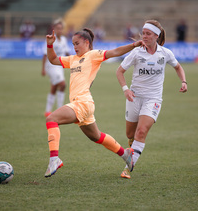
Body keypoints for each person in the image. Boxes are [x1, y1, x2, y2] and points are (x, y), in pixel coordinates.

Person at [44, 27, 144, 177]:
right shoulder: (72, 59)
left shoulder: (92, 55)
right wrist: (50, 45)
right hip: (83, 104)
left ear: (86, 42)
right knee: (96, 136)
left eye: (77, 43)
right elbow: (52, 59)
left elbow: (115, 52)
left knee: (51, 119)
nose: (74, 47)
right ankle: (126, 155)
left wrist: (133, 45)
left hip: (82, 103)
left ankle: (54, 159)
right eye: (73, 44)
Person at [116, 20, 188, 179]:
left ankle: (128, 167)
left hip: (153, 98)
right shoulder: (136, 52)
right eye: (143, 33)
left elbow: (178, 67)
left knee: (141, 132)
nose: (144, 36)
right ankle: (132, 148)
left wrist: (183, 81)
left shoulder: (165, 53)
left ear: (157, 35)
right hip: (134, 97)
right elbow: (119, 72)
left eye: (148, 33)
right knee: (130, 133)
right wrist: (126, 89)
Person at [42, 19, 70, 117]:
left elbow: (66, 52)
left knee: (54, 87)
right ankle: (60, 109)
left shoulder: (64, 39)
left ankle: (48, 111)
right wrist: (43, 69)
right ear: (53, 29)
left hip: (59, 66)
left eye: (61, 28)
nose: (60, 30)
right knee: (62, 85)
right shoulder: (50, 39)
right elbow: (45, 55)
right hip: (51, 66)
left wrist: (73, 61)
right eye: (58, 28)